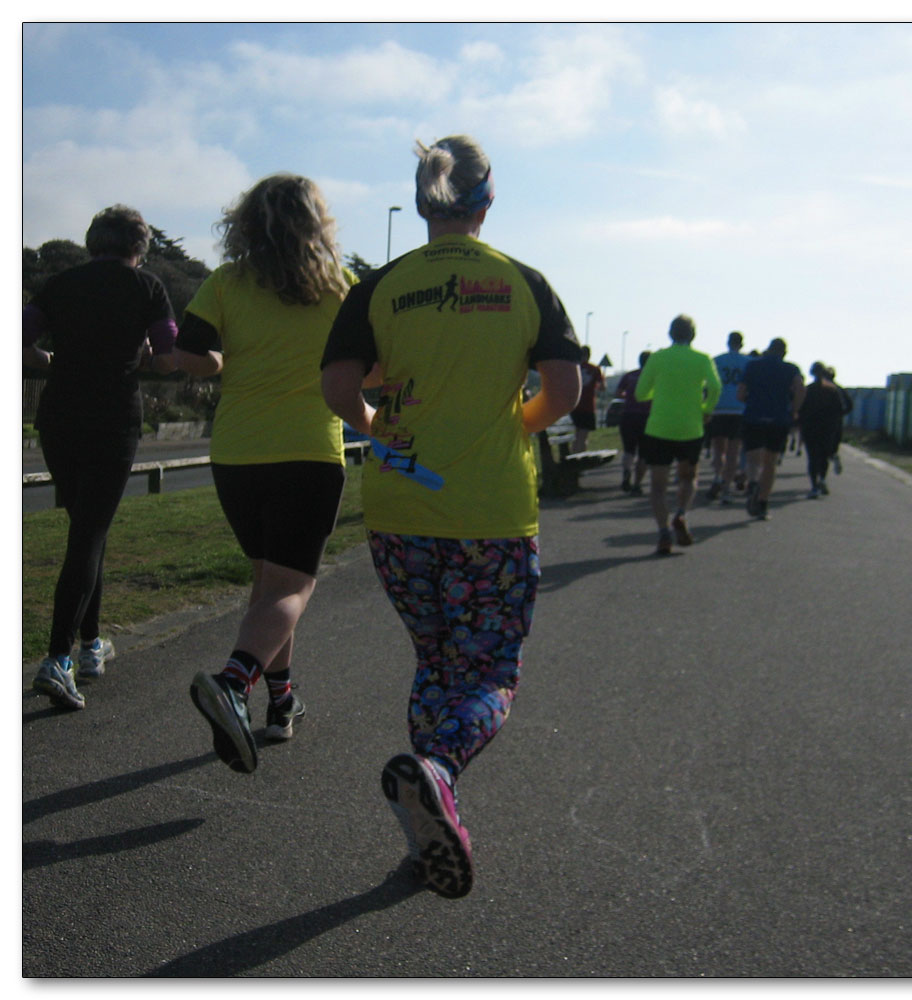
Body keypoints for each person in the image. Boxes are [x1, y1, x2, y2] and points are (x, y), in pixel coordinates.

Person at [320, 134, 582, 899]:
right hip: (492, 508)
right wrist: (517, 427)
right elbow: (563, 389)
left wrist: (381, 431)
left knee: (436, 660)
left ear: (425, 197)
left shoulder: (381, 284)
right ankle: (439, 770)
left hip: (402, 505)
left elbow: (338, 390)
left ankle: (431, 814)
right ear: (488, 199)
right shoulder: (522, 280)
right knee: (492, 668)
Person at [174, 174, 356, 773]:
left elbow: (193, 351)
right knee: (292, 588)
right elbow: (372, 370)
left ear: (247, 221)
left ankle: (282, 706)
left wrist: (223, 357)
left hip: (236, 454)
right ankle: (233, 683)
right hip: (306, 451)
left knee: (269, 586)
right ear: (317, 223)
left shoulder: (226, 282)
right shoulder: (339, 290)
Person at [23, 205, 177, 710]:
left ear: (94, 240)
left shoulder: (62, 283)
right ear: (139, 246)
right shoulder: (147, 288)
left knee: (88, 530)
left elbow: (19, 337)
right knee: (88, 532)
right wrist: (146, 356)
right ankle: (57, 658)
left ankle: (91, 647)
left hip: (60, 418)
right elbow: (167, 348)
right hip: (113, 420)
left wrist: (49, 359)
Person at [635, 314, 721, 555]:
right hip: (690, 428)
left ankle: (663, 533)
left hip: (659, 428)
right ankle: (681, 514)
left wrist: (659, 395)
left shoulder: (658, 358)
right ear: (693, 335)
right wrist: (706, 409)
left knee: (658, 486)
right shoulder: (702, 359)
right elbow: (715, 387)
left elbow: (641, 393)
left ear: (670, 334)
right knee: (687, 478)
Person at [737, 338, 805, 520]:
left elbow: (741, 392)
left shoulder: (752, 366)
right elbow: (800, 389)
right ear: (784, 352)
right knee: (770, 462)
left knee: (752, 459)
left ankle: (752, 483)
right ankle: (763, 502)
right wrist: (795, 410)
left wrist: (747, 401)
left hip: (754, 415)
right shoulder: (791, 369)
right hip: (778, 418)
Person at [705, 331, 751, 504]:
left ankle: (717, 476)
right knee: (733, 451)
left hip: (719, 408)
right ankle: (726, 489)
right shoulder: (748, 362)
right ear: (742, 344)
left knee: (719, 449)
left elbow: (709, 384)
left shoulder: (717, 360)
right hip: (739, 410)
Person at [798, 362, 843, 497]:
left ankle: (814, 486)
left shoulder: (808, 390)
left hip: (810, 428)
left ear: (811, 373)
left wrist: (799, 422)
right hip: (828, 428)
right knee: (824, 456)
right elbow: (840, 409)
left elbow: (800, 409)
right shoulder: (832, 390)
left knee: (813, 457)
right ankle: (822, 479)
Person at [615, 351, 652, 494]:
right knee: (644, 453)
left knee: (629, 450)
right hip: (647, 417)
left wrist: (628, 396)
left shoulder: (629, 375)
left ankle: (626, 471)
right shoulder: (654, 377)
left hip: (628, 415)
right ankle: (637, 484)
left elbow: (618, 393)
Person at [570, 345, 605, 452]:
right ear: (589, 355)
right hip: (588, 406)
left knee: (577, 434)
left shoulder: (574, 367)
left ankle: (574, 454)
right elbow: (602, 387)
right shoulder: (594, 369)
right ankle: (580, 457)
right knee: (583, 436)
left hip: (574, 405)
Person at [824, 365, 854, 474]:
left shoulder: (818, 388)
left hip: (820, 423)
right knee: (832, 445)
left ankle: (820, 475)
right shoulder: (839, 388)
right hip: (836, 422)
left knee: (820, 448)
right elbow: (849, 405)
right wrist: (840, 414)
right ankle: (833, 456)